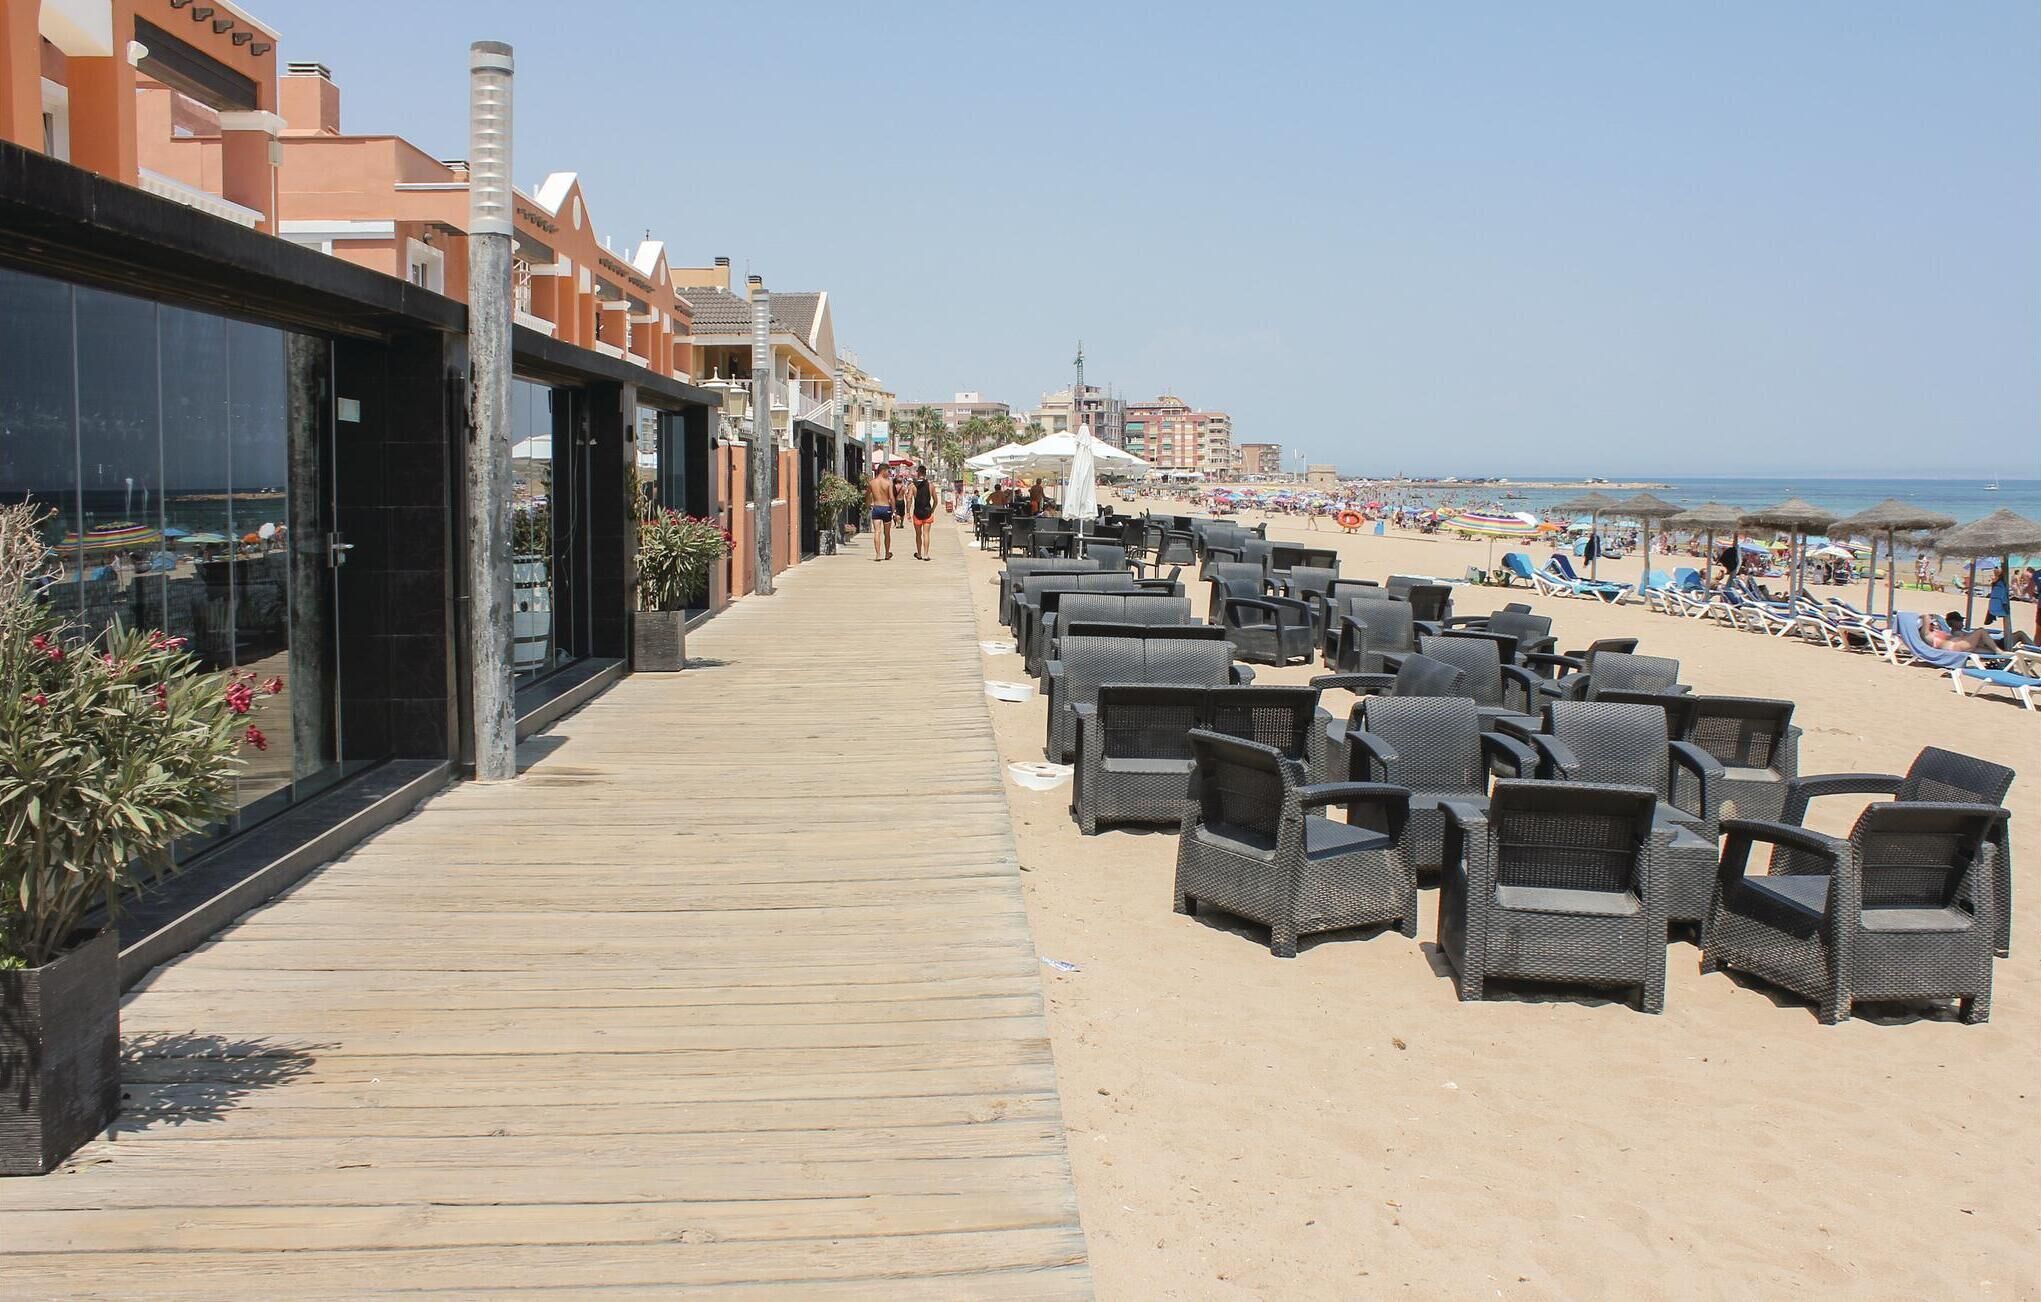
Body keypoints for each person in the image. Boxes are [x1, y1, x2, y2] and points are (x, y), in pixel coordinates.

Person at [1926, 611, 2002, 655]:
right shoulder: (1956, 633)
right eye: (1959, 620)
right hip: (1962, 647)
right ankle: (1998, 651)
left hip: (1971, 647)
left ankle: (1998, 652)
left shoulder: (1953, 633)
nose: (1962, 622)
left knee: (1992, 651)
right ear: (1953, 622)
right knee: (1981, 630)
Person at [865, 469, 896, 560]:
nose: (888, 473)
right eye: (887, 471)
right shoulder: (888, 483)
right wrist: (893, 510)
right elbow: (891, 497)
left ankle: (878, 554)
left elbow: (867, 495)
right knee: (887, 533)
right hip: (886, 508)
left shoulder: (872, 482)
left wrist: (868, 504)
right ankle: (887, 553)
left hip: (876, 508)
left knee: (877, 532)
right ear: (883, 471)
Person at [911, 464, 936, 560]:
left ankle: (919, 553)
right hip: (927, 513)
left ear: (918, 473)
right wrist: (932, 509)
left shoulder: (913, 486)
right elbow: (936, 500)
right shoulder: (931, 486)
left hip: (917, 513)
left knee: (918, 534)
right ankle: (926, 554)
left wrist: (908, 512)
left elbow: (909, 499)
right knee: (926, 534)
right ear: (925, 474)